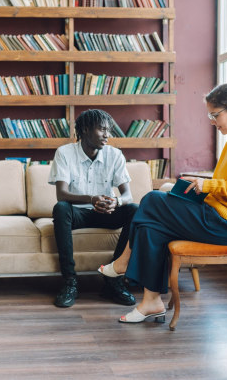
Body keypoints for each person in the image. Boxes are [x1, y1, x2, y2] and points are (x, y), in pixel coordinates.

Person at [98, 83, 227, 323]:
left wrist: (208, 185)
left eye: (215, 115)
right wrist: (200, 183)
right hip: (217, 216)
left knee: (152, 199)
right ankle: (150, 302)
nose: (212, 121)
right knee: (151, 226)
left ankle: (124, 262)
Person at [48, 109, 138, 308]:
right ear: (86, 129)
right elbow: (61, 194)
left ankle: (113, 278)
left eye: (109, 130)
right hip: (78, 212)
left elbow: (127, 195)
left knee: (134, 209)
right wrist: (91, 198)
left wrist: (117, 202)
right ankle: (70, 281)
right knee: (61, 208)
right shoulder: (65, 153)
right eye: (102, 129)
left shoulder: (115, 155)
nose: (107, 134)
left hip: (106, 213)